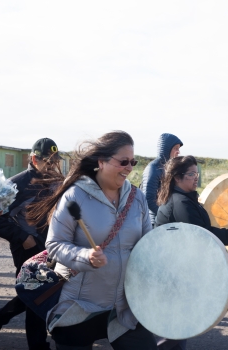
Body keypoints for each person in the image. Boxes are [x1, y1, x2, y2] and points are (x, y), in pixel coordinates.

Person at [34, 131, 156, 350]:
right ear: (101, 162)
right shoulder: (75, 196)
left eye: (132, 162)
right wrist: (85, 256)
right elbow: (54, 244)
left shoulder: (137, 198)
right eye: (123, 161)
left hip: (124, 308)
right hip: (80, 307)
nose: (129, 167)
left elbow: (148, 246)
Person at [155, 155, 228, 350]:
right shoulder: (181, 202)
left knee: (178, 325)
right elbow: (201, 236)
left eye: (196, 173)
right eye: (191, 174)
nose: (196, 177)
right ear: (177, 178)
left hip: (180, 269)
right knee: (174, 328)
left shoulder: (186, 199)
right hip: (175, 271)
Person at [0, 138, 64, 350]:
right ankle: (37, 345)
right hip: (27, 248)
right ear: (34, 159)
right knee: (34, 294)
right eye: (48, 161)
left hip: (52, 247)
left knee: (39, 294)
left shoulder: (57, 182)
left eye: (55, 161)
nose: (52, 166)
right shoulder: (15, 185)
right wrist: (23, 238)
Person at [141, 133, 183, 226]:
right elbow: (148, 198)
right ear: (167, 149)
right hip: (154, 222)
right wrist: (165, 216)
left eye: (179, 149)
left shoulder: (170, 168)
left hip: (167, 221)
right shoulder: (153, 168)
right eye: (176, 148)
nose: (178, 152)